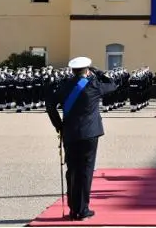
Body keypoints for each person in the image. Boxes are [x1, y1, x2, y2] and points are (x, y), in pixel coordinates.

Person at [45, 57, 118, 221]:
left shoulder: (64, 86)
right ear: (87, 70)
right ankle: (82, 209)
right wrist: (99, 72)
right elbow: (113, 84)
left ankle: (73, 209)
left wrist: (59, 125)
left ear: (72, 70)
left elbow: (49, 104)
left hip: (70, 133)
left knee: (72, 170)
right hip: (89, 134)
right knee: (85, 171)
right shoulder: (94, 85)